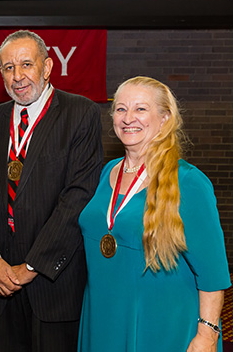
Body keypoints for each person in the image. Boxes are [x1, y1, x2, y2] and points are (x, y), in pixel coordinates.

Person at [0, 30, 103, 352]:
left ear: (48, 66)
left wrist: (30, 267)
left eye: (26, 64)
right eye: (8, 67)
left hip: (53, 283)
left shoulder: (79, 114)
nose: (17, 76)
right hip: (1, 284)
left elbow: (77, 199)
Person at [77, 76, 231, 352]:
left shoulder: (189, 183)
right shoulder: (107, 172)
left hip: (161, 325)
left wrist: (207, 335)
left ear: (164, 119)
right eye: (121, 109)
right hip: (103, 316)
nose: (128, 118)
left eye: (140, 109)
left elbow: (212, 271)